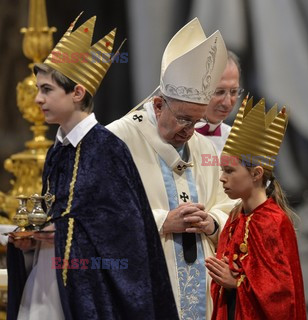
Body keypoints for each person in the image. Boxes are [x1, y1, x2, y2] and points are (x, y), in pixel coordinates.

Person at [7, 14, 178, 320]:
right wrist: (32, 237)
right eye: (38, 89)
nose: (37, 99)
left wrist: (59, 231)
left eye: (46, 90)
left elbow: (127, 235)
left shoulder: (107, 149)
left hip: (90, 293)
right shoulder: (57, 152)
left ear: (77, 93)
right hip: (47, 280)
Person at [107, 18, 235, 320]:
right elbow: (102, 214)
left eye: (197, 120)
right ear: (158, 105)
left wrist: (212, 222)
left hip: (203, 286)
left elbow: (228, 203)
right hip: (143, 281)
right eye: (183, 119)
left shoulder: (204, 146)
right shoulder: (116, 141)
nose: (190, 130)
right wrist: (163, 221)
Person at [206, 97, 307, 320]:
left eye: (230, 171)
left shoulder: (273, 221)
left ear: (256, 174)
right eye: (222, 171)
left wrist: (237, 283)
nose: (222, 178)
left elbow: (282, 295)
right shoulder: (234, 217)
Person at [195, 51, 243, 154]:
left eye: (234, 91)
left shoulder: (238, 142)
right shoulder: (179, 138)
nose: (227, 103)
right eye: (219, 92)